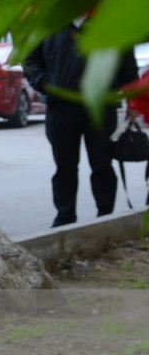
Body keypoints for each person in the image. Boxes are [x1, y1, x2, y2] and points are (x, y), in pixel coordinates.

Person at [25, 23, 138, 227]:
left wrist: (134, 102)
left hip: (101, 107)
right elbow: (30, 61)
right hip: (60, 108)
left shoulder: (108, 20)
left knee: (102, 164)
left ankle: (105, 215)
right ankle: (64, 217)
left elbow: (128, 66)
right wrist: (44, 82)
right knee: (64, 167)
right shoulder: (51, 22)